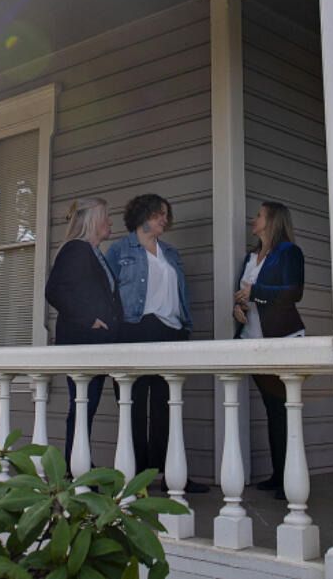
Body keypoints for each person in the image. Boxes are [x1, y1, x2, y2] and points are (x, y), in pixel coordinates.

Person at [107, 193, 208, 493]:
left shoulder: (170, 253)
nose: (164, 219)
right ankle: (137, 477)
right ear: (141, 215)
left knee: (168, 407)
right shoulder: (119, 250)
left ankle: (172, 475)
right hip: (134, 330)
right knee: (134, 407)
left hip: (171, 332)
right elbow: (107, 293)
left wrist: (184, 327)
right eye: (157, 213)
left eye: (166, 214)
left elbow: (181, 294)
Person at [233, 202, 305, 500]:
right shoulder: (250, 258)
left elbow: (293, 293)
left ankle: (289, 479)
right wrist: (239, 306)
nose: (254, 219)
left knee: (283, 411)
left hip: (282, 339)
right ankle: (280, 475)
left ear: (272, 221)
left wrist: (256, 294)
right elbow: (245, 295)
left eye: (259, 215)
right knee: (273, 410)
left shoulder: (288, 252)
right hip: (252, 341)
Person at [45, 197, 122, 464]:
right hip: (82, 344)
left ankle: (79, 464)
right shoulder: (76, 249)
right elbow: (55, 291)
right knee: (82, 406)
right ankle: (74, 468)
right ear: (92, 222)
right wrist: (89, 319)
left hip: (98, 345)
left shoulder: (95, 253)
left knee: (86, 407)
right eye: (106, 217)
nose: (110, 222)